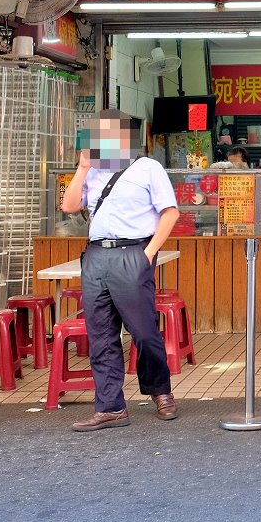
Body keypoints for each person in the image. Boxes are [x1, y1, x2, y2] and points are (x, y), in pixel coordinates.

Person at [59, 110, 179, 431]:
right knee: (101, 335)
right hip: (96, 255)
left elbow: (169, 213)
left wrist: (148, 254)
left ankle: (160, 391)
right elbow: (69, 206)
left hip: (133, 253)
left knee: (143, 331)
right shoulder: (93, 172)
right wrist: (83, 167)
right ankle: (110, 406)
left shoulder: (147, 168)